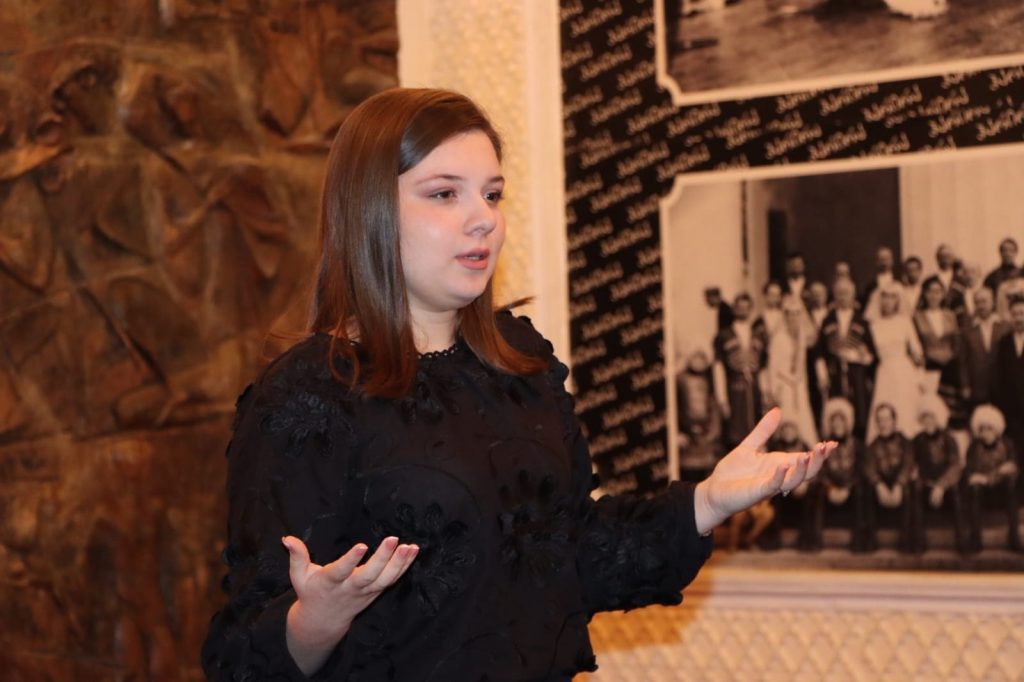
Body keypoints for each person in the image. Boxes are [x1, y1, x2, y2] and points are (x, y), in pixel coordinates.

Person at [199, 88, 834, 681]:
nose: (483, 219)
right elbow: (241, 658)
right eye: (444, 194)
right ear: (368, 212)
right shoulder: (308, 393)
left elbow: (576, 560)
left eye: (492, 194)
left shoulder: (520, 362)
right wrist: (316, 620)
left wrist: (708, 501)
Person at [815, 277, 876, 440]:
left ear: (853, 295)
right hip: (834, 374)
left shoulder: (862, 321)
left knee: (859, 412)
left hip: (857, 375)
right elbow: (819, 351)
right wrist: (822, 373)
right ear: (834, 295)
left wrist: (858, 356)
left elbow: (873, 354)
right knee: (836, 412)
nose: (843, 297)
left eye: (846, 293)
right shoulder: (827, 320)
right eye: (840, 293)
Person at [866, 283, 925, 443]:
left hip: (904, 371)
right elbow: (869, 354)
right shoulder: (873, 325)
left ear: (898, 301)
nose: (888, 302)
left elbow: (917, 351)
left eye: (892, 298)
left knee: (906, 408)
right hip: (884, 372)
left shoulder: (905, 322)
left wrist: (920, 377)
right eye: (885, 297)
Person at [909, 395, 965, 555]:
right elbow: (911, 462)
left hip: (945, 487)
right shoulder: (917, 440)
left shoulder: (949, 439)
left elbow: (955, 466)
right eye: (925, 418)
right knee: (915, 490)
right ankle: (918, 542)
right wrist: (916, 474)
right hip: (926, 484)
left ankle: (962, 541)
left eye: (932, 418)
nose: (928, 422)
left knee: (957, 493)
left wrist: (941, 486)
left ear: (939, 418)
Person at [714, 292, 770, 449]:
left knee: (757, 431)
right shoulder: (723, 335)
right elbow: (718, 368)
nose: (742, 310)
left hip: (755, 390)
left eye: (746, 307)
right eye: (739, 307)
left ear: (750, 309)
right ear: (734, 309)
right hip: (733, 389)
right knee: (735, 433)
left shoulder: (758, 335)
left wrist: (766, 392)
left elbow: (763, 367)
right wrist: (722, 399)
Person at [964, 404, 1021, 553]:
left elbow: (1012, 469)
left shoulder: (1007, 444)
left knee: (1011, 484)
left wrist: (989, 478)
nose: (986, 433)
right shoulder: (973, 447)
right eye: (982, 429)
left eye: (990, 429)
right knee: (974, 489)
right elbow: (970, 474)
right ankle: (975, 540)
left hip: (1001, 492)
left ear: (997, 430)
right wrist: (997, 472)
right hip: (982, 494)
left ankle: (1014, 538)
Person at [766, 296, 819, 447]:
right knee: (786, 419)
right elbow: (773, 367)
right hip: (783, 386)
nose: (793, 317)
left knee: (804, 418)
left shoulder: (801, 337)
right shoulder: (778, 338)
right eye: (790, 313)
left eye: (797, 313)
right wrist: (774, 391)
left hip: (799, 386)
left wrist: (798, 380)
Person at [863, 404, 915, 553]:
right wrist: (879, 485)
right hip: (882, 487)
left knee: (911, 488)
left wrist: (899, 485)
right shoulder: (872, 446)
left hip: (900, 485)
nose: (883, 424)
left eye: (886, 419)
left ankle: (907, 541)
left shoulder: (905, 443)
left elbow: (908, 464)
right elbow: (869, 468)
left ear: (894, 421)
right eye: (880, 420)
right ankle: (869, 540)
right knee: (866, 489)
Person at [913, 276, 964, 420]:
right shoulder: (917, 316)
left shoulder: (950, 315)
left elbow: (956, 341)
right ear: (924, 293)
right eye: (930, 291)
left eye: (937, 291)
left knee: (950, 409)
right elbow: (915, 343)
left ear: (943, 294)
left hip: (950, 367)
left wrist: (953, 357)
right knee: (931, 406)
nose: (934, 296)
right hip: (929, 366)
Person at [962, 287, 1010, 409]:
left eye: (984, 301)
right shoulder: (968, 330)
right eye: (977, 302)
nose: (981, 306)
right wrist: (965, 385)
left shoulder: (1005, 327)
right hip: (978, 385)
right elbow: (963, 361)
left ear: (993, 302)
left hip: (1002, 384)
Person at [992, 296, 1024, 458]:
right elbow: (999, 374)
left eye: (1022, 313)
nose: (1018, 318)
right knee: (1015, 449)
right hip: (1011, 407)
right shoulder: (1004, 342)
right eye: (1015, 314)